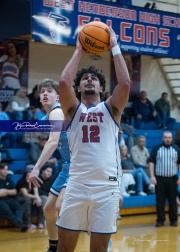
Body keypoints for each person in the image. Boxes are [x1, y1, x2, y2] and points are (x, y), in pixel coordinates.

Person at [56, 26, 130, 252]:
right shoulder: (72, 111)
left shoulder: (111, 110)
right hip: (76, 185)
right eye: (85, 78)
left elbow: (125, 84)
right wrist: (79, 50)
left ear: (101, 87)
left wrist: (115, 46)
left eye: (94, 78)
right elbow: (62, 83)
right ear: (78, 87)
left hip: (106, 189)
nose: (89, 80)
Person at [28, 79, 70, 252]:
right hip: (68, 166)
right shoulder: (46, 117)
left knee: (61, 208)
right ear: (38, 97)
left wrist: (36, 167)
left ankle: (101, 241)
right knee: (49, 209)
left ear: (58, 97)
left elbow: (53, 143)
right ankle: (54, 247)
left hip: (82, 166)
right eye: (42, 91)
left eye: (49, 91)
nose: (45, 93)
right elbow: (23, 129)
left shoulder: (57, 112)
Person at [149, 131, 180, 227]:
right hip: (160, 179)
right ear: (162, 138)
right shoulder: (157, 149)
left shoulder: (176, 149)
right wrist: (152, 176)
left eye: (169, 137)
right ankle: (160, 220)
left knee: (173, 200)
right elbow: (151, 162)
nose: (167, 139)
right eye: (166, 137)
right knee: (160, 201)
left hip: (173, 178)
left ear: (171, 138)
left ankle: (173, 220)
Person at [0, 162, 28, 232]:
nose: (5, 171)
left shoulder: (8, 179)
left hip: (10, 199)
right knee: (8, 211)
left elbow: (14, 192)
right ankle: (21, 225)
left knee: (19, 208)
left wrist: (5, 191)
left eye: (6, 169)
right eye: (3, 169)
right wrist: (9, 192)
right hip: (1, 200)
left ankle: (18, 222)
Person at [16, 164, 44, 229]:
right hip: (19, 198)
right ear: (26, 172)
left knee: (42, 199)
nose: (32, 174)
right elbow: (25, 194)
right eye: (30, 172)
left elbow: (36, 191)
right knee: (27, 200)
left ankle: (40, 222)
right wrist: (35, 197)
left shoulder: (34, 180)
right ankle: (27, 223)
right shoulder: (22, 181)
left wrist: (37, 198)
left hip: (30, 197)